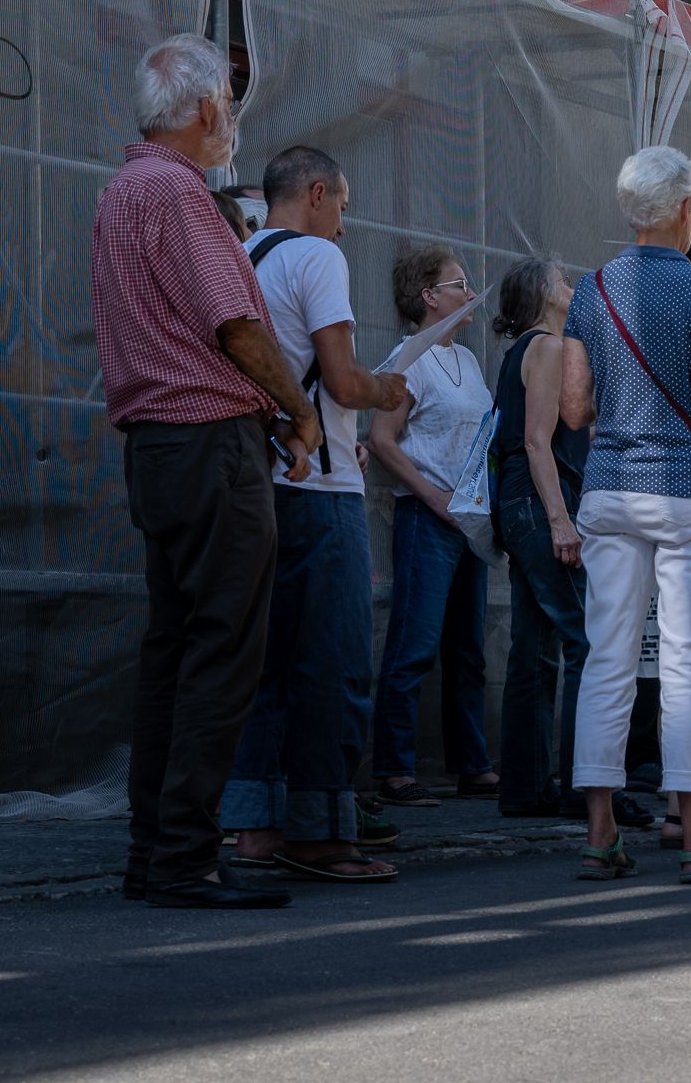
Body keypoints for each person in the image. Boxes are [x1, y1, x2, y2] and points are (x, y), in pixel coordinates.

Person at [94, 36, 315, 910]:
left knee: (175, 649)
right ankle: (183, 857)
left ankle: (157, 852)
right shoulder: (179, 193)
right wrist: (297, 411)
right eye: (226, 101)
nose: (230, 118)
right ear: (206, 111)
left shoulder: (123, 190)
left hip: (157, 445)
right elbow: (238, 326)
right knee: (222, 650)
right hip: (209, 440)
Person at [559, 146, 691, 884]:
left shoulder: (591, 291)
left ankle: (599, 834)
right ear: (688, 210)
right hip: (688, 492)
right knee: (687, 665)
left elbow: (574, 408)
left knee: (607, 659)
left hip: (610, 489)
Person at [222, 145, 408, 884]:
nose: (344, 222)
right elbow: (341, 378)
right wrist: (387, 387)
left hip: (256, 478)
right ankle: (322, 832)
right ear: (319, 193)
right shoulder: (318, 259)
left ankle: (255, 828)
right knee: (330, 659)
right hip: (321, 485)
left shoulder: (240, 254)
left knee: (262, 663)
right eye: (344, 205)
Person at [489, 258, 644, 824]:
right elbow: (536, 442)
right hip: (541, 504)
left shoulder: (523, 351)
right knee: (588, 642)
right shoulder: (549, 348)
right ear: (543, 293)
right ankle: (589, 785)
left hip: (520, 506)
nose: (574, 287)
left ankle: (527, 789)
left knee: (533, 648)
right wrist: (560, 519)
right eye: (563, 280)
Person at [366, 245, 496, 806]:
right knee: (415, 644)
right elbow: (381, 439)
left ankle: (472, 764)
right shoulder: (408, 359)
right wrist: (430, 493)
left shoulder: (466, 360)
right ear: (429, 296)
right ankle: (393, 767)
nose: (471, 295)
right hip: (428, 516)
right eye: (459, 284)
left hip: (470, 518)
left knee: (468, 648)